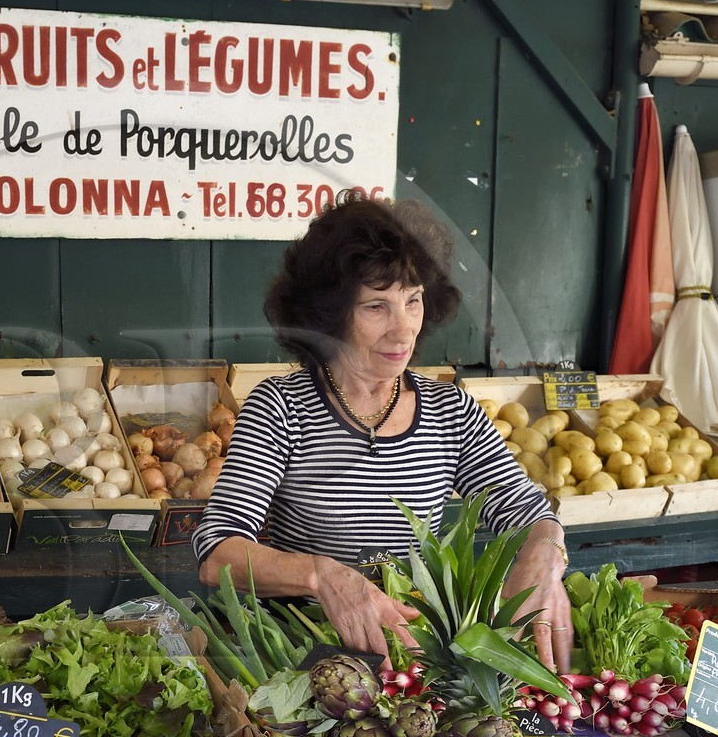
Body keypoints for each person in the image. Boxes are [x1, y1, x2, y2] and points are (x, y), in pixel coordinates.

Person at [192, 191, 573, 672]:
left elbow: (525, 510)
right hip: (306, 659)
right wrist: (321, 575)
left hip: (417, 663)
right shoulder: (282, 407)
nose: (403, 331)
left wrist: (543, 557)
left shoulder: (447, 409)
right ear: (330, 314)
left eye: (412, 302)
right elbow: (217, 551)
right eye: (376, 307)